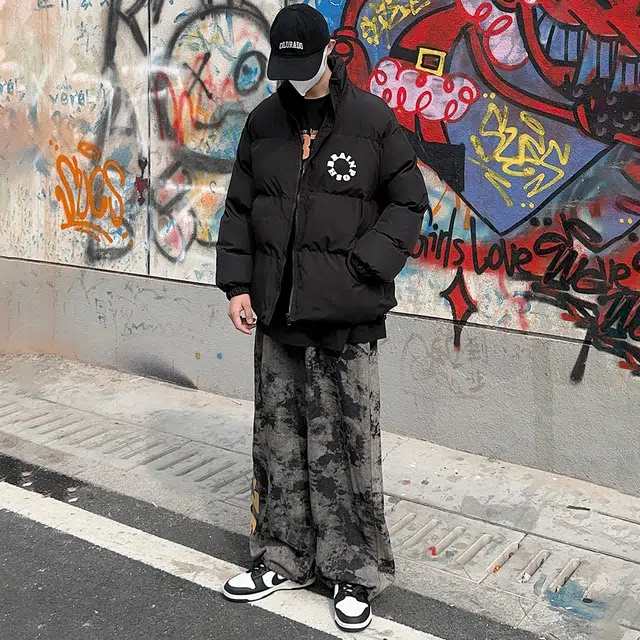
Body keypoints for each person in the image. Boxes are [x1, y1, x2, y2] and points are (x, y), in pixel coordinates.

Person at [215, 3, 429, 632]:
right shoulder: (263, 123)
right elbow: (240, 207)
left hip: (345, 318)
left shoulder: (371, 120)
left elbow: (408, 202)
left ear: (328, 54)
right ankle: (282, 556)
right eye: (285, 67)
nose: (295, 78)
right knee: (279, 441)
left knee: (347, 446)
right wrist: (237, 285)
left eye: (304, 65)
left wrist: (364, 267)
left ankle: (354, 571)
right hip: (278, 312)